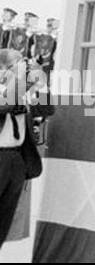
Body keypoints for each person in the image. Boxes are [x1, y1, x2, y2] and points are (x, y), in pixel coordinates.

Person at [0, 49, 51, 243]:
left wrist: (41, 83)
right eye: (17, 64)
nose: (23, 68)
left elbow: (47, 109)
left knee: (4, 221)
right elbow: (6, 104)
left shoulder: (22, 89)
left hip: (16, 160)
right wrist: (21, 79)